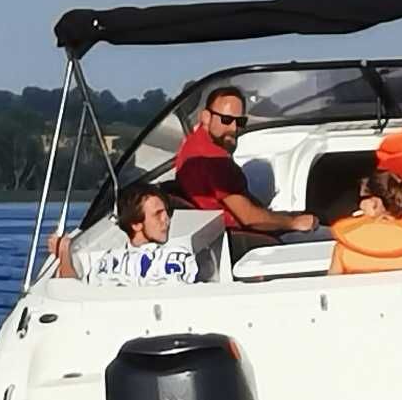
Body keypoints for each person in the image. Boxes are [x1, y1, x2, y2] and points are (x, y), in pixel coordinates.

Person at [171, 86, 317, 245]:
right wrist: (294, 222)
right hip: (238, 240)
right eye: (226, 120)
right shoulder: (215, 160)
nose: (233, 128)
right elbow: (250, 218)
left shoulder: (192, 144)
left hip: (221, 234)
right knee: (327, 236)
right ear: (206, 117)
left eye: (240, 121)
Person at [48, 184, 199, 286]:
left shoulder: (177, 256)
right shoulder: (104, 261)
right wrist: (64, 252)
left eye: (167, 212)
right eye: (158, 214)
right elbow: (69, 293)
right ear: (136, 224)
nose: (166, 219)